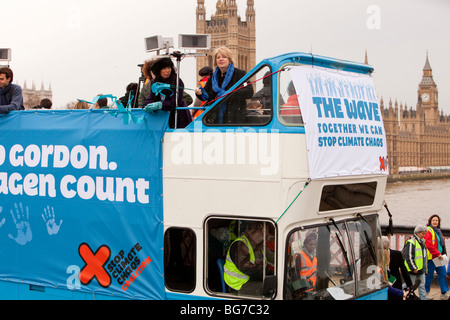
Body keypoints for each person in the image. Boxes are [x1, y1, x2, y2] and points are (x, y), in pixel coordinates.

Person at [195, 46, 253, 124]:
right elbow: (208, 95)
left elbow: (249, 92)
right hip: (215, 119)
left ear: (229, 60)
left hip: (235, 118)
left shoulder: (239, 74)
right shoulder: (213, 77)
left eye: (224, 57)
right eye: (218, 57)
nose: (221, 59)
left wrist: (229, 94)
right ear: (216, 61)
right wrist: (200, 93)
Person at [144, 57, 192, 128]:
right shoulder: (154, 82)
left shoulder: (177, 81)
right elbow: (151, 97)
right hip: (162, 118)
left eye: (169, 68)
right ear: (159, 70)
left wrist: (160, 105)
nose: (167, 71)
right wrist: (147, 105)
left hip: (178, 117)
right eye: (164, 69)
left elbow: (177, 101)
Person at [223, 222, 265, 296]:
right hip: (238, 284)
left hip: (250, 280)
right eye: (258, 229)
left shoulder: (256, 243)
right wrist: (263, 272)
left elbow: (269, 258)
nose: (262, 232)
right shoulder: (239, 245)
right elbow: (246, 269)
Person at [424, 214, 449, 300]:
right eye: (433, 220)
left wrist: (442, 254)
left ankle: (444, 293)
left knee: (443, 274)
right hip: (431, 257)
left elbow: (441, 244)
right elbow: (429, 244)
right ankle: (425, 293)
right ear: (430, 221)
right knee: (429, 275)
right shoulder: (428, 230)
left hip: (439, 257)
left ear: (438, 222)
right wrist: (437, 253)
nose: (435, 222)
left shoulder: (438, 231)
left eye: (436, 220)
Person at [382, 236, 412, 300]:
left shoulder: (397, 254)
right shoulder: (377, 256)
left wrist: (409, 284)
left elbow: (403, 269)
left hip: (395, 284)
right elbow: (403, 269)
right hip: (386, 284)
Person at [403, 225, 428, 300]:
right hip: (413, 269)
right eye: (422, 234)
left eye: (424, 233)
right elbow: (409, 256)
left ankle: (423, 298)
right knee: (408, 285)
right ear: (417, 233)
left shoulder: (422, 242)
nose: (424, 235)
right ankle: (397, 292)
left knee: (422, 286)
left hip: (421, 269)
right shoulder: (411, 242)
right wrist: (413, 268)